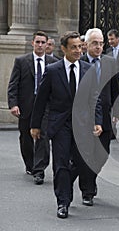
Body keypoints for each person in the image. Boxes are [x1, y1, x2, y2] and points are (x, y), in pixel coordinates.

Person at [30, 31, 103, 219]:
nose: (78, 50)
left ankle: (65, 183)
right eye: (74, 47)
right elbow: (41, 99)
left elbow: (95, 98)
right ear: (64, 49)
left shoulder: (88, 69)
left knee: (81, 162)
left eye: (80, 46)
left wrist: (98, 121)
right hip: (60, 124)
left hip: (83, 124)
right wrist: (35, 125)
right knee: (61, 163)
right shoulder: (53, 70)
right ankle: (63, 201)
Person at [7, 31, 57, 184]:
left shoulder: (54, 62)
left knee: (43, 136)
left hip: (46, 107)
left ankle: (39, 169)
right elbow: (13, 84)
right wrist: (13, 104)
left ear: (47, 44)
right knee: (26, 137)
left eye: (43, 42)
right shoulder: (21, 61)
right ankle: (30, 164)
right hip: (27, 105)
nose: (40, 45)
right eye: (38, 42)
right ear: (32, 43)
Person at [80, 28, 119, 205]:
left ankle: (91, 179)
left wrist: (116, 113)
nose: (98, 47)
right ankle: (87, 190)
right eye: (95, 43)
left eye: (101, 43)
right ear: (86, 44)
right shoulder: (79, 62)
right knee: (86, 154)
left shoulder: (110, 62)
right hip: (83, 118)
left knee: (102, 154)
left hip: (104, 116)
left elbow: (116, 89)